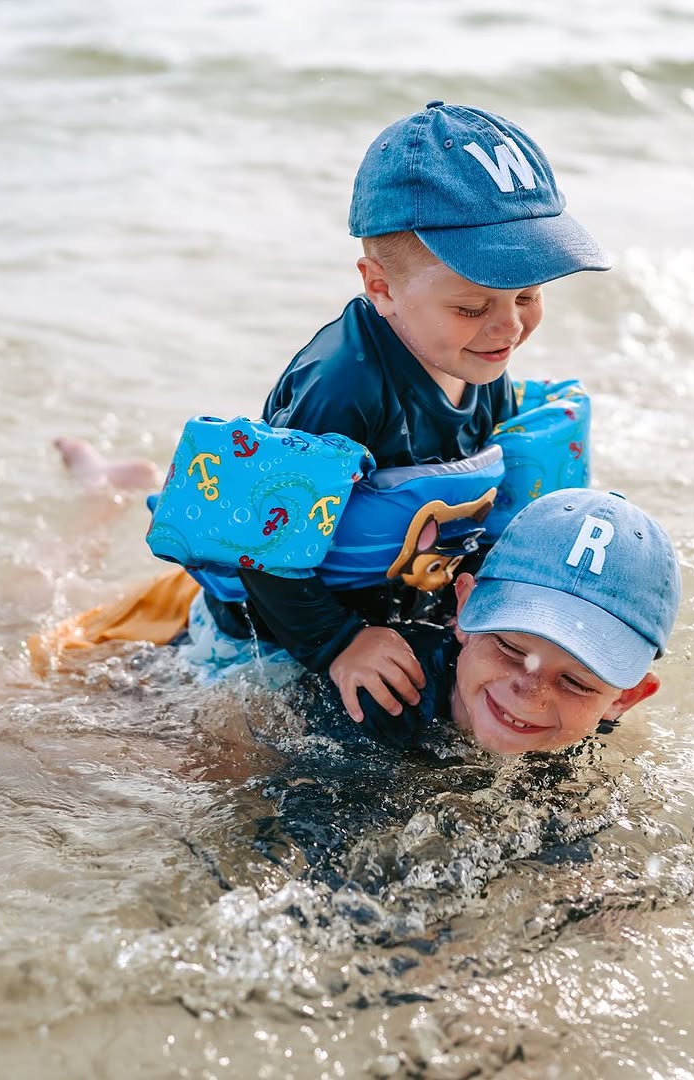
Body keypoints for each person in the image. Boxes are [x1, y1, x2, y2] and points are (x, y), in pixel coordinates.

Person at [196, 101, 611, 723]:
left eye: (527, 295)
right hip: (279, 620)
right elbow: (264, 548)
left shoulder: (478, 360)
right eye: (472, 307)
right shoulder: (340, 387)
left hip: (391, 591)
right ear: (381, 287)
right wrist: (339, 644)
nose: (509, 326)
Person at [278, 488, 681, 755]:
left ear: (624, 698)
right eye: (509, 648)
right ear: (465, 610)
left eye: (576, 682)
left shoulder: (593, 733)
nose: (529, 693)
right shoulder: (379, 697)